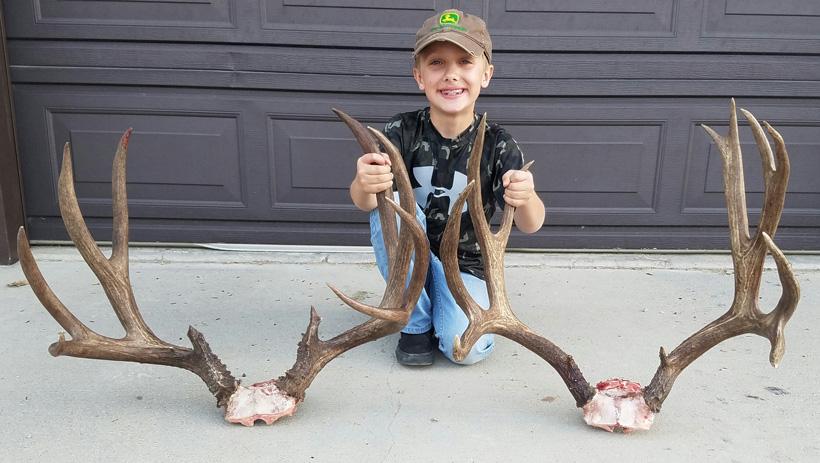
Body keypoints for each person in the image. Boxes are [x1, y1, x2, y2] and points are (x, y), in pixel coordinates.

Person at [349, 9, 545, 366]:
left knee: (462, 349)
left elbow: (532, 223)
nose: (451, 74)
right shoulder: (399, 132)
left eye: (464, 62)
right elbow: (365, 203)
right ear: (419, 76)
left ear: (485, 75)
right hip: (410, 260)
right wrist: (364, 183)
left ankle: (432, 301)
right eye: (436, 62)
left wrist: (526, 196)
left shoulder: (499, 144)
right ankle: (416, 323)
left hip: (467, 266)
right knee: (387, 200)